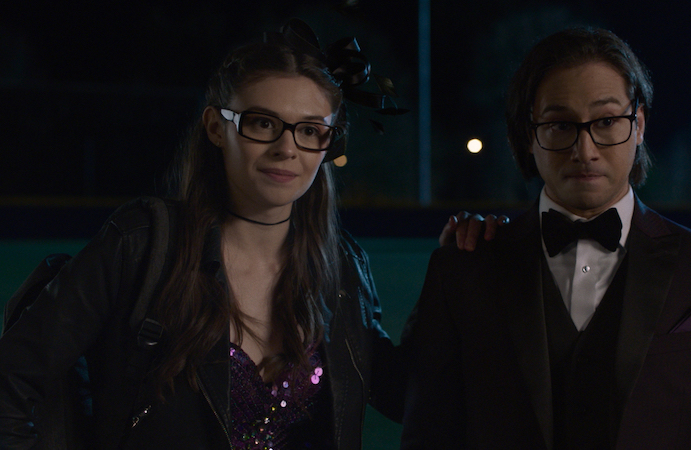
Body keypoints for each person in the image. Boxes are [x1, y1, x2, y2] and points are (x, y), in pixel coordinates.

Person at [0, 19, 492, 450]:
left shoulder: (341, 266)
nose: (286, 148)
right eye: (262, 123)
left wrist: (451, 273)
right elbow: (12, 381)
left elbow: (407, 395)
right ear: (216, 127)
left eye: (310, 130)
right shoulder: (143, 242)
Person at [401, 27, 691, 449]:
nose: (584, 150)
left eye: (606, 121)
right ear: (528, 135)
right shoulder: (462, 267)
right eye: (560, 125)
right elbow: (426, 433)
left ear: (638, 125)